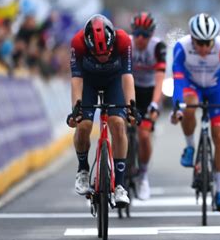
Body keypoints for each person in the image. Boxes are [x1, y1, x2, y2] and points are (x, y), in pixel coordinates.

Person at [67, 14, 140, 207]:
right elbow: (76, 81)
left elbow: (127, 77)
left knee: (117, 123)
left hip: (114, 82)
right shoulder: (78, 43)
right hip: (88, 83)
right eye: (97, 55)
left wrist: (132, 107)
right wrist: (76, 110)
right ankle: (83, 169)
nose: (103, 58)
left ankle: (120, 185)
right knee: (84, 125)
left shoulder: (124, 40)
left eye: (106, 53)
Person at [170, 13, 220, 212]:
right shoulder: (181, 47)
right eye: (198, 43)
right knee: (188, 105)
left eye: (207, 43)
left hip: (217, 89)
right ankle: (191, 146)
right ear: (192, 38)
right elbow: (178, 81)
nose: (202, 48)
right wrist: (177, 106)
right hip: (192, 86)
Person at [129, 12, 167, 200]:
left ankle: (143, 175)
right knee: (118, 126)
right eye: (137, 34)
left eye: (145, 35)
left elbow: (160, 80)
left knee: (144, 135)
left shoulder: (157, 47)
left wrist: (154, 103)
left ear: (151, 35)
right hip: (129, 90)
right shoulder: (126, 44)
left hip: (149, 91)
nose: (140, 39)